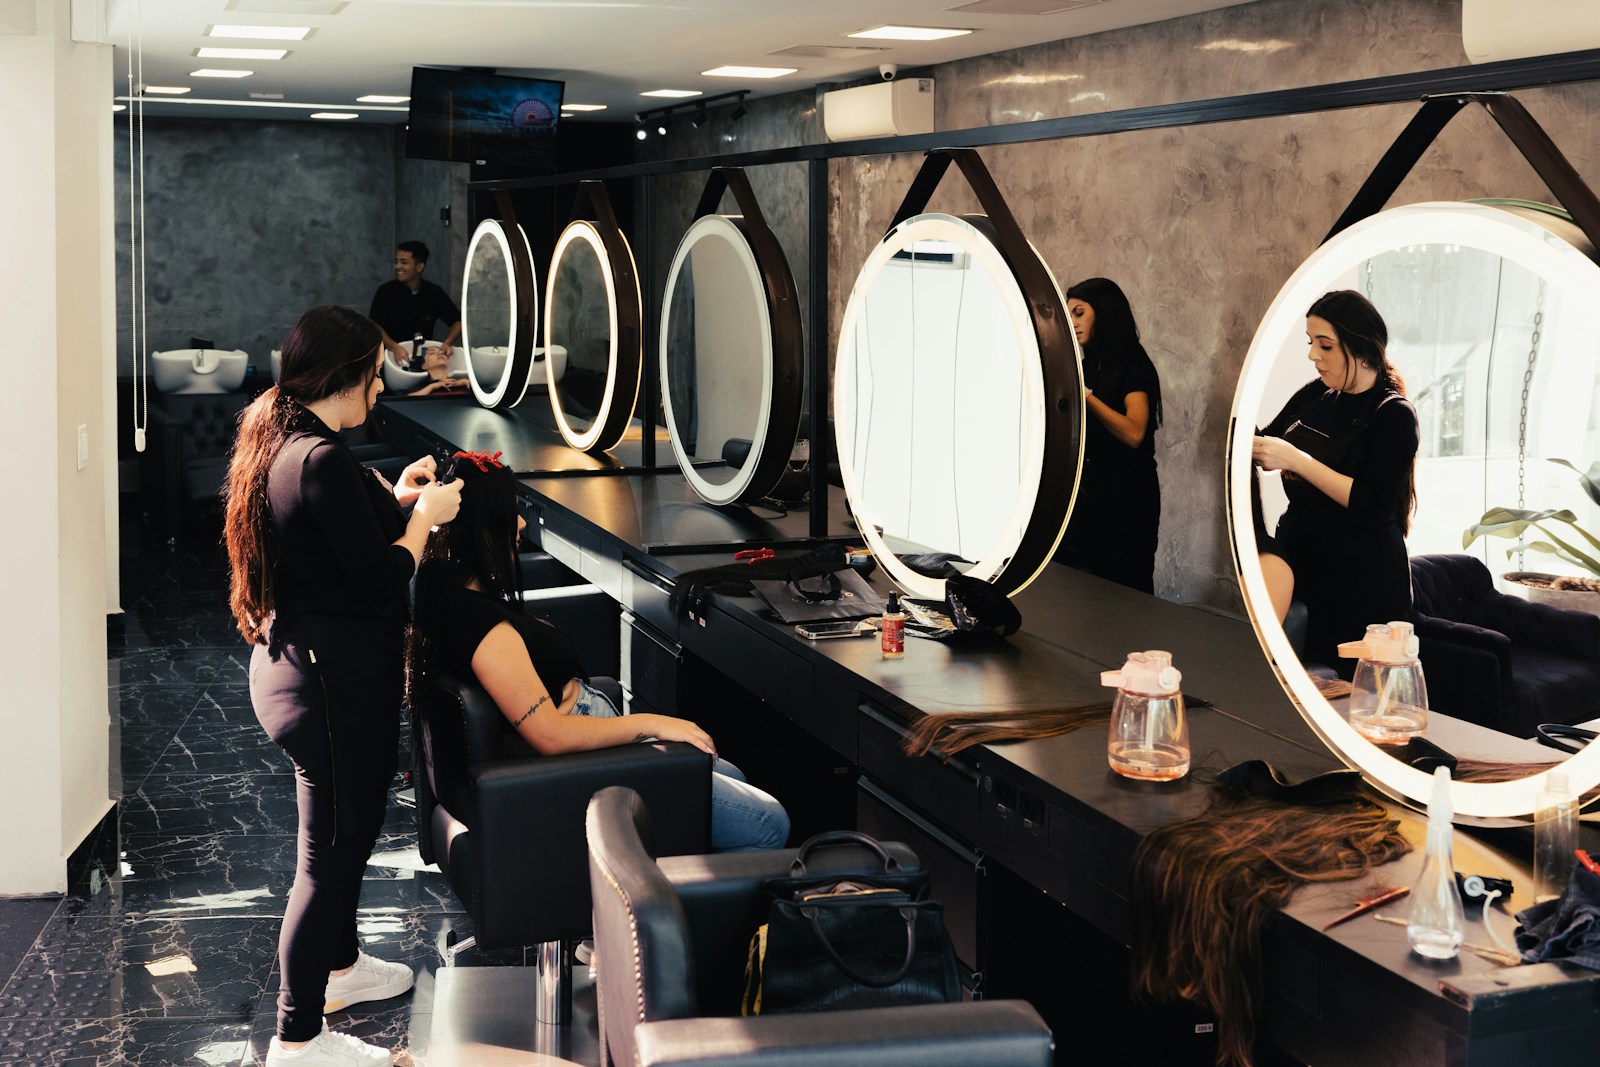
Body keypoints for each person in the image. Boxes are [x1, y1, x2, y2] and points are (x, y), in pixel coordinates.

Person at [224, 305, 463, 1067]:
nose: (381, 385)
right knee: (328, 855)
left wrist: (394, 501)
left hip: (304, 669)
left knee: (347, 836)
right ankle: (298, 1038)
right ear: (353, 375)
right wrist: (424, 521)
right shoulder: (319, 457)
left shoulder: (291, 444)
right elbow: (378, 574)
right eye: (376, 372)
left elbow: (328, 539)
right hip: (324, 682)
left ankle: (343, 966)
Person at [406, 449, 791, 853]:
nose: (520, 523)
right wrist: (653, 724)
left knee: (734, 775)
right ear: (483, 527)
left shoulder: (446, 596)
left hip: (587, 746)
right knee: (767, 823)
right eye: (512, 512)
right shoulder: (481, 627)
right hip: (581, 767)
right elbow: (550, 736)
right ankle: (682, 908)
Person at [1252, 289, 1418, 674]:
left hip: (1364, 583)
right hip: (1309, 567)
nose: (1313, 355)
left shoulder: (1393, 415)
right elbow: (1269, 443)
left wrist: (1297, 460)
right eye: (1312, 343)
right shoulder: (1317, 396)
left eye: (1325, 345)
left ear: (1360, 348)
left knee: (1353, 695)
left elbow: (1370, 501)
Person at [1055, 277, 1163, 593]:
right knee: (1086, 594)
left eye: (1078, 312)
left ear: (1102, 312)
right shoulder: (1088, 365)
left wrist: (1086, 396)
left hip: (1129, 503)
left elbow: (1134, 433)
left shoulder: (1134, 364)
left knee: (1125, 592)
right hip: (1092, 498)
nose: (1071, 322)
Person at [369, 240, 462, 367]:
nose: (397, 266)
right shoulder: (386, 292)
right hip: (389, 358)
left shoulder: (434, 293)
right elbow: (375, 326)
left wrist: (448, 342)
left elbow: (458, 321)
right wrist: (394, 347)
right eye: (396, 261)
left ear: (419, 267)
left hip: (422, 360)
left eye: (404, 262)